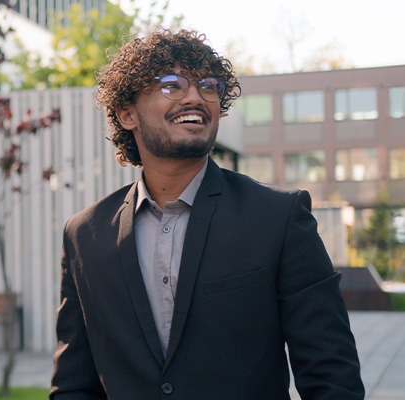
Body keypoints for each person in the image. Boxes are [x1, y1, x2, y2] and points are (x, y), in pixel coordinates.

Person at [51, 27, 364, 399]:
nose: (196, 98)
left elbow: (332, 376)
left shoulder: (279, 218)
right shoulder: (85, 235)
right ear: (127, 113)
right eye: (172, 85)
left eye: (209, 86)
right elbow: (74, 385)